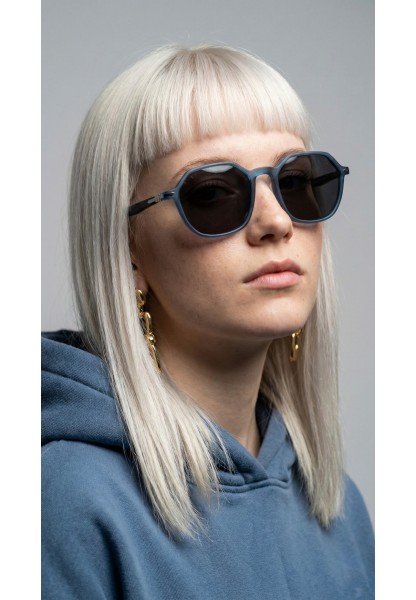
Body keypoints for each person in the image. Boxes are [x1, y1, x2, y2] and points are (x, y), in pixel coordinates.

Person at [41, 43, 374, 599]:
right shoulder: (64, 502)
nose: (276, 222)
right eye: (213, 193)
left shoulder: (339, 507)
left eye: (295, 182)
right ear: (128, 248)